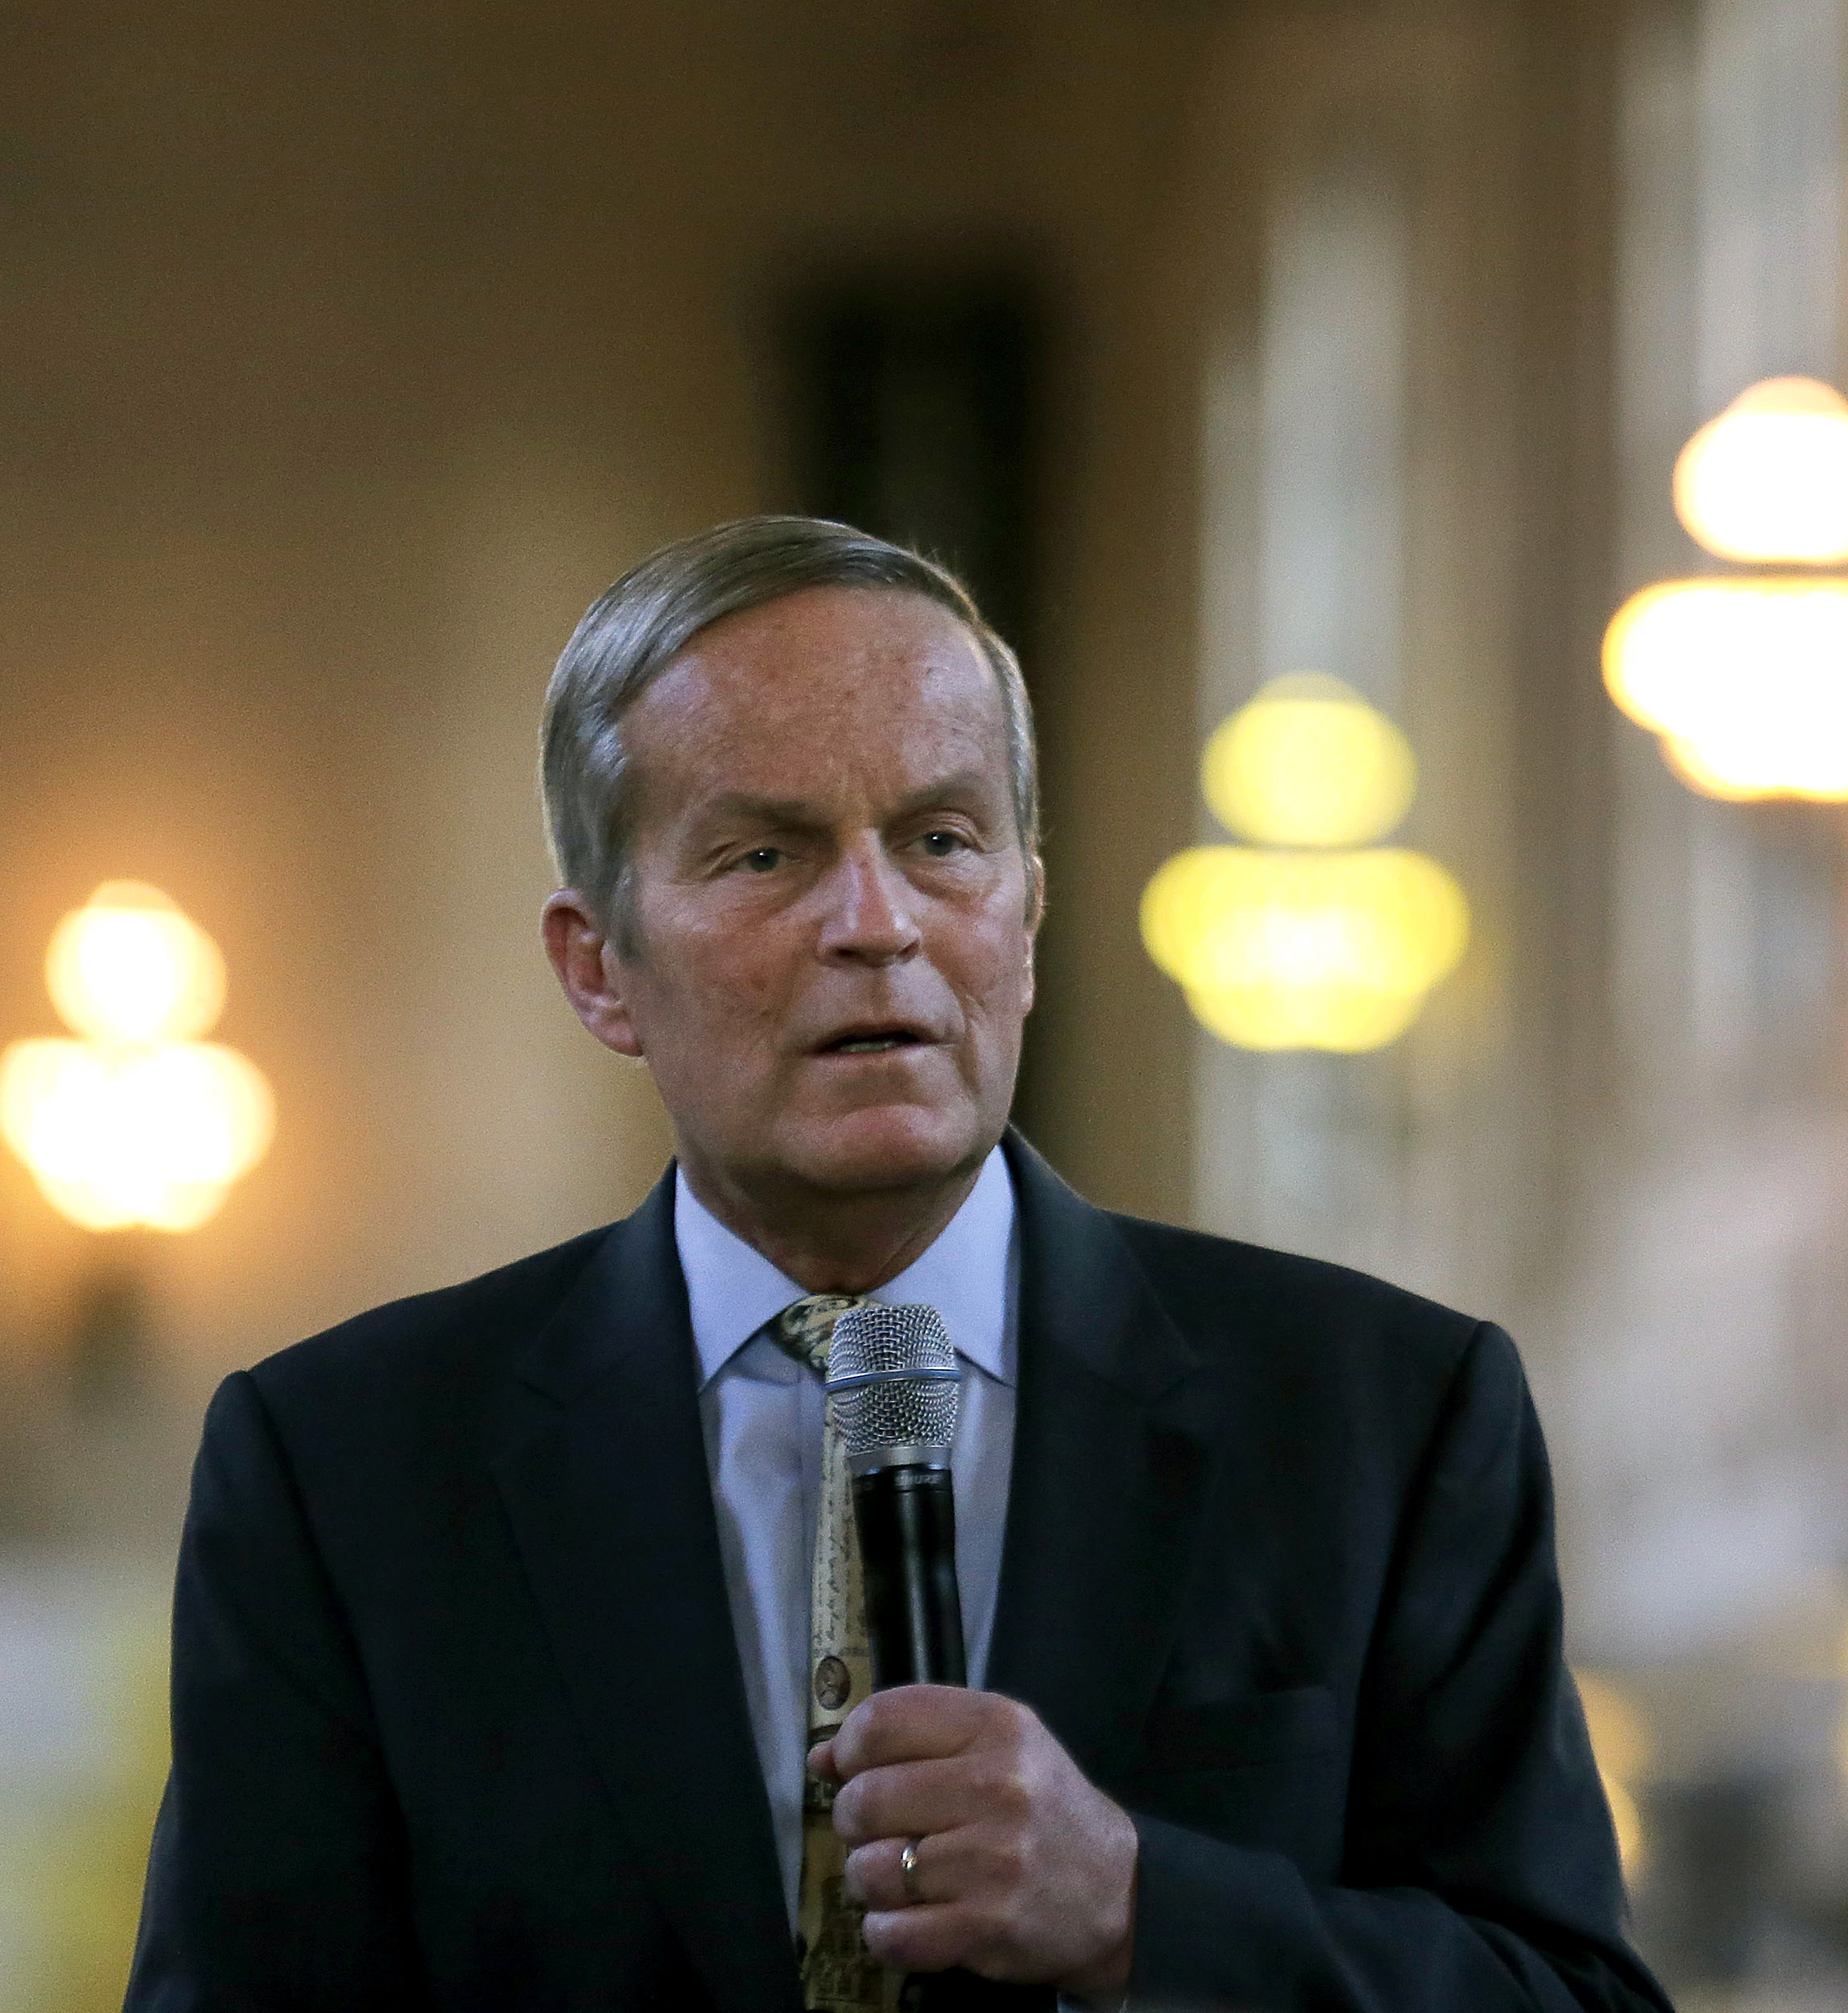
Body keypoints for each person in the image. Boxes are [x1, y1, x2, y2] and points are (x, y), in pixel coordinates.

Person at [127, 516, 1668, 2013]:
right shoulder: (348, 1471)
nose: (877, 924)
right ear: (599, 969)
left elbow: (1570, 1993)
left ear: (1029, 912)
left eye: (941, 842)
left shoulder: (1382, 1418)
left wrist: (1144, 1910)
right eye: (764, 855)